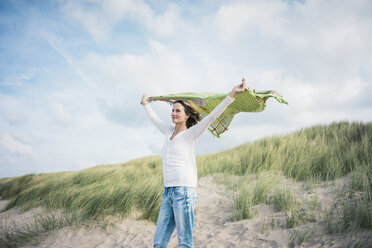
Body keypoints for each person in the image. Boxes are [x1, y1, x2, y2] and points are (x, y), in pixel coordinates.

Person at [141, 79, 247, 248]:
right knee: (159, 242)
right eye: (172, 110)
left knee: (185, 242)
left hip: (184, 192)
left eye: (178, 111)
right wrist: (146, 104)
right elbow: (154, 119)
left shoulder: (191, 134)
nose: (173, 113)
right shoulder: (168, 132)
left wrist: (231, 95)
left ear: (186, 115)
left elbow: (212, 117)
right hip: (168, 192)